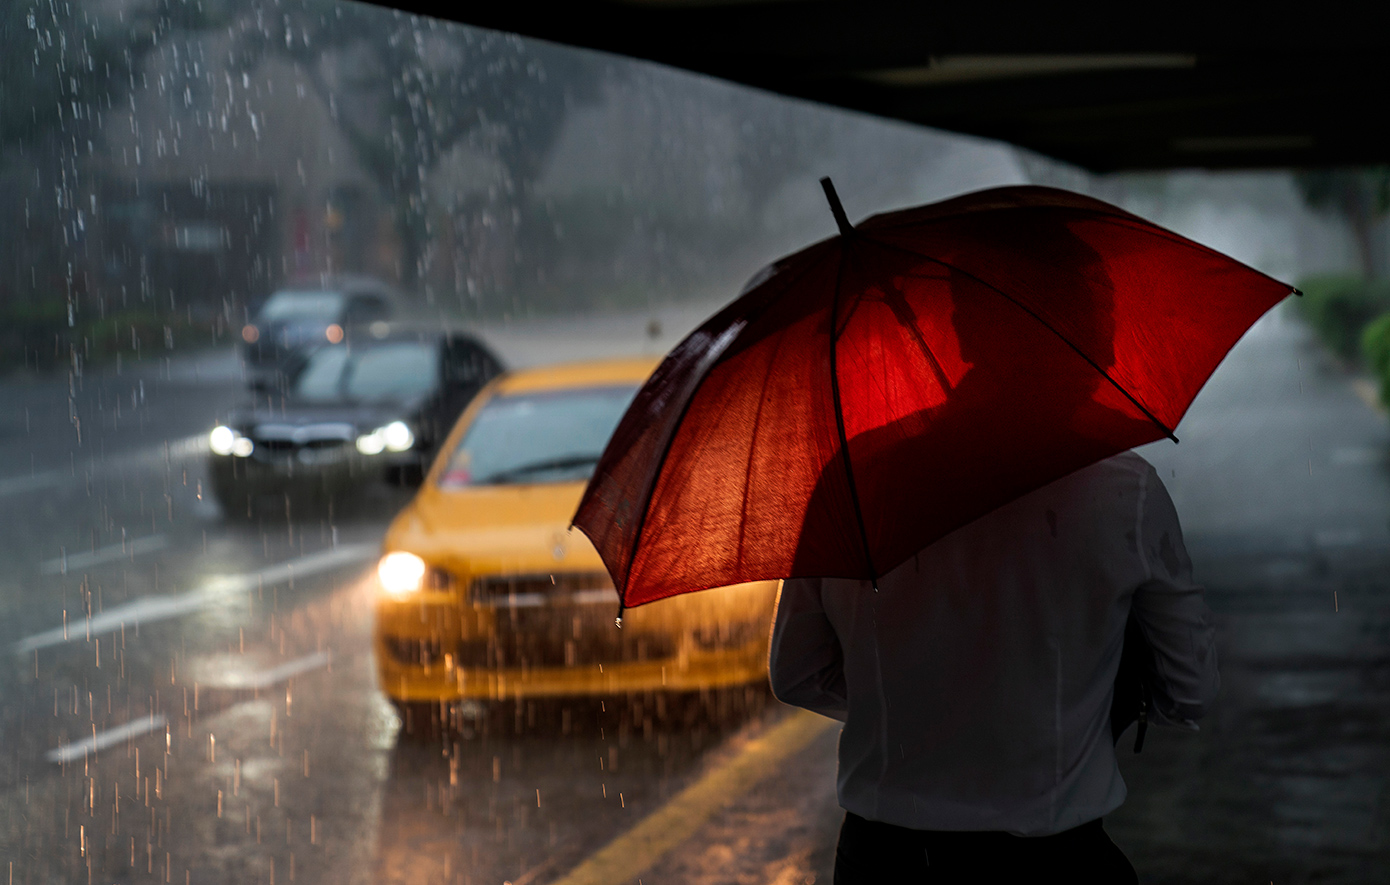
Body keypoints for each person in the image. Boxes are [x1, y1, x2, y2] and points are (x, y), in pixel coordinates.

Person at [769, 450, 1219, 882]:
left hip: (884, 859)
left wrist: (916, 712)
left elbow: (797, 674)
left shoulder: (852, 483)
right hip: (1052, 860)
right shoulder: (1125, 486)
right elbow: (1189, 690)